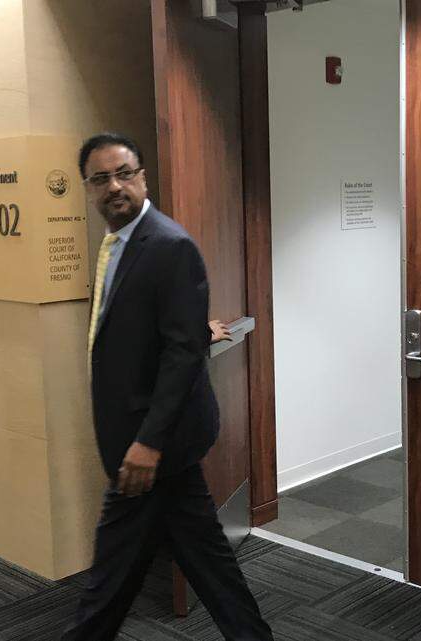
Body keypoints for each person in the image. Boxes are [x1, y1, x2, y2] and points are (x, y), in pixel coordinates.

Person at [61, 132, 273, 641]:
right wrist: (199, 328)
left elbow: (180, 356)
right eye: (101, 178)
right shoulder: (119, 245)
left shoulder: (168, 245)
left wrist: (148, 444)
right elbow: (167, 329)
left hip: (153, 446)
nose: (115, 186)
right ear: (88, 188)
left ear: (143, 178)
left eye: (124, 174)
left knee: (112, 576)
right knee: (203, 563)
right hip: (148, 443)